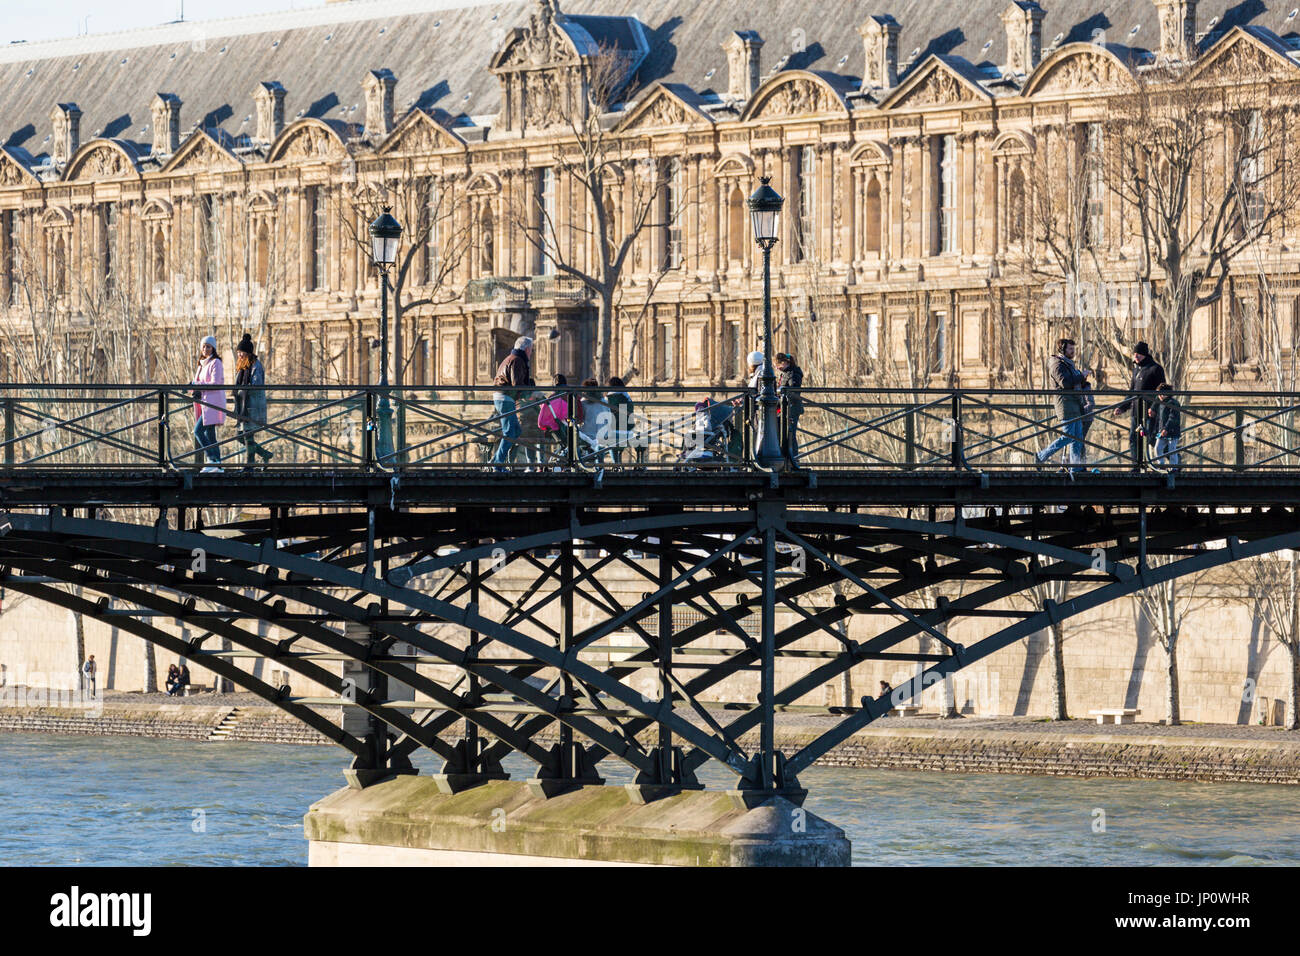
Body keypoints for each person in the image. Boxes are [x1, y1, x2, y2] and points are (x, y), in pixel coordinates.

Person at [1036, 337, 1090, 472]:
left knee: (1077, 438)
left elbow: (1073, 382)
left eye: (1074, 349)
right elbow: (1065, 383)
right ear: (1063, 349)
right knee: (1068, 436)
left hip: (1074, 404)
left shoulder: (1068, 364)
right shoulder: (1056, 364)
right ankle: (1041, 456)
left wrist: (1083, 379)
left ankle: (1075, 467)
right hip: (1065, 405)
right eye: (1070, 349)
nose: (1073, 351)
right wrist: (1081, 376)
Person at [1115, 341, 1167, 471]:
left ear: (1144, 354)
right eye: (1134, 354)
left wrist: (1154, 408)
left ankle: (1174, 458)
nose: (1135, 356)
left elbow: (1161, 392)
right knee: (1134, 438)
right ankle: (1136, 466)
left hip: (1150, 411)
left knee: (1152, 439)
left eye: (1138, 354)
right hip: (1136, 411)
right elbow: (1132, 391)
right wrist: (1122, 407)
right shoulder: (1136, 369)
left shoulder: (1155, 369)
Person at [491, 336, 533, 470]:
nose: (531, 352)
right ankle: (497, 464)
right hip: (505, 398)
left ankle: (495, 461)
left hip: (503, 397)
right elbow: (517, 384)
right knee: (510, 432)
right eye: (531, 350)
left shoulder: (511, 358)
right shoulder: (517, 361)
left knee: (515, 430)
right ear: (527, 349)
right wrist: (531, 393)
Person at [232, 334, 273, 468]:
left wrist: (243, 390)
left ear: (248, 352)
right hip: (244, 407)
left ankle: (250, 464)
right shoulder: (241, 367)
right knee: (241, 436)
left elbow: (257, 385)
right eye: (238, 352)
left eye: (241, 352)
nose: (239, 355)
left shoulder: (256, 365)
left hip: (253, 406)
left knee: (247, 436)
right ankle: (265, 454)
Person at [191, 335, 227, 473]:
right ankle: (217, 464)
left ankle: (212, 459)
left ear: (213, 349)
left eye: (208, 347)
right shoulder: (201, 364)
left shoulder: (216, 363)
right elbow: (198, 382)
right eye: (204, 346)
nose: (205, 349)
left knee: (198, 431)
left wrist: (197, 385)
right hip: (204, 403)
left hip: (213, 403)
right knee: (210, 434)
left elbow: (216, 383)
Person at [775, 352, 804, 465]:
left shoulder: (793, 373)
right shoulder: (786, 373)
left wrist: (781, 394)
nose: (777, 368)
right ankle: (788, 459)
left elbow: (793, 391)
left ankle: (793, 460)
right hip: (785, 407)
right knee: (785, 433)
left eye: (778, 365)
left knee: (790, 434)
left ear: (784, 363)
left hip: (792, 408)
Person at [577, 377, 612, 464]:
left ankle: (582, 462)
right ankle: (599, 463)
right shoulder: (604, 401)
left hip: (587, 435)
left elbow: (579, 419)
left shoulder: (582, 403)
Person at [538, 373, 571, 462]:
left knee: (543, 435)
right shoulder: (571, 395)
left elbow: (543, 417)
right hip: (571, 429)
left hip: (556, 431)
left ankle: (542, 463)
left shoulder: (551, 398)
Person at [605, 376, 634, 465]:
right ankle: (617, 464)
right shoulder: (627, 397)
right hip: (628, 432)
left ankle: (614, 464)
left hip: (614, 432)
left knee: (605, 440)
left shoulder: (608, 399)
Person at [1154, 383, 1182, 470]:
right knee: (1157, 448)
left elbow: (1172, 417)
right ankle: (1161, 465)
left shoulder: (1173, 403)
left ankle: (1174, 467)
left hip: (1172, 431)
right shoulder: (1161, 403)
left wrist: (1166, 428)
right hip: (1162, 430)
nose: (1158, 396)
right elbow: (1160, 418)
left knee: (1172, 450)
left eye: (1160, 394)